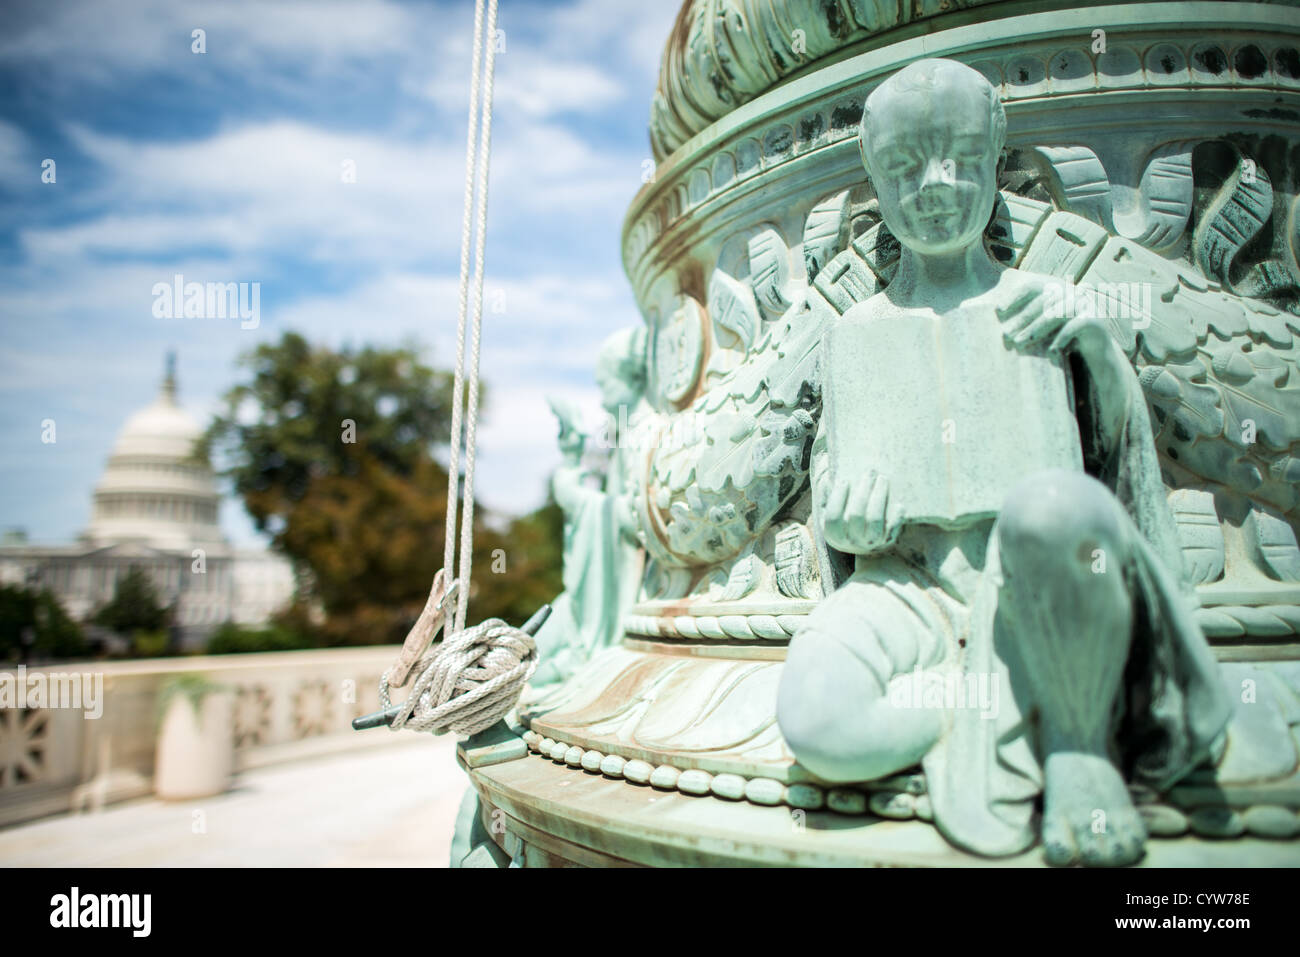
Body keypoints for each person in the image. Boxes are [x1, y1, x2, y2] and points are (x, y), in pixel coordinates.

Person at [776, 58, 1229, 865]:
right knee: (817, 718)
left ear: (995, 162)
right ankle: (1003, 706)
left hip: (1036, 588)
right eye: (906, 167)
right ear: (876, 181)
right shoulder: (855, 335)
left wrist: (1093, 342)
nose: (937, 184)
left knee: (1052, 513)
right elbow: (833, 499)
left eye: (961, 158)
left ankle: (1079, 744)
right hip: (906, 596)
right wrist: (846, 519)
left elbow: (1116, 462)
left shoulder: (1040, 309)